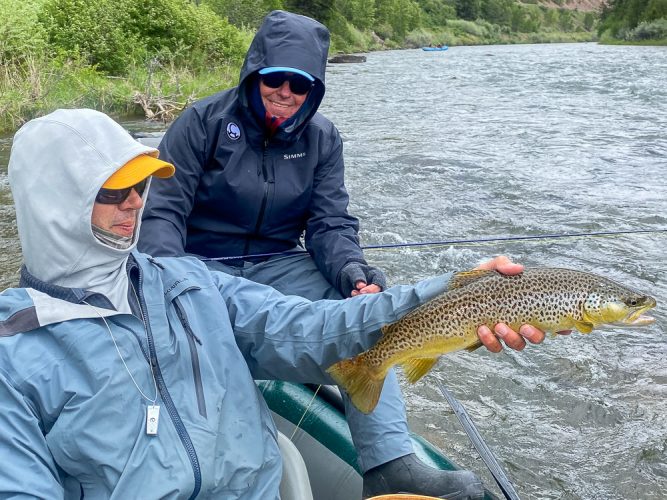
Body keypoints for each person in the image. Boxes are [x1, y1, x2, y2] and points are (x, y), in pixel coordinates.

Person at [0, 108, 555, 499]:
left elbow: (312, 328)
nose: (135, 203)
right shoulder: (12, 354)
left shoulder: (190, 282)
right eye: (111, 191)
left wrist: (452, 292)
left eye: (141, 186)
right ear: (55, 202)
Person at [138, 9, 551, 499]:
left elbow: (330, 224)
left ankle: (390, 464)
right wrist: (170, 279)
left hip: (280, 262)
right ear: (255, 72)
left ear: (315, 89)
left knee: (366, 315)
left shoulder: (323, 139)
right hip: (200, 262)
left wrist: (353, 272)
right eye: (276, 78)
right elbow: (161, 212)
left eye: (301, 84)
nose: (286, 92)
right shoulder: (200, 123)